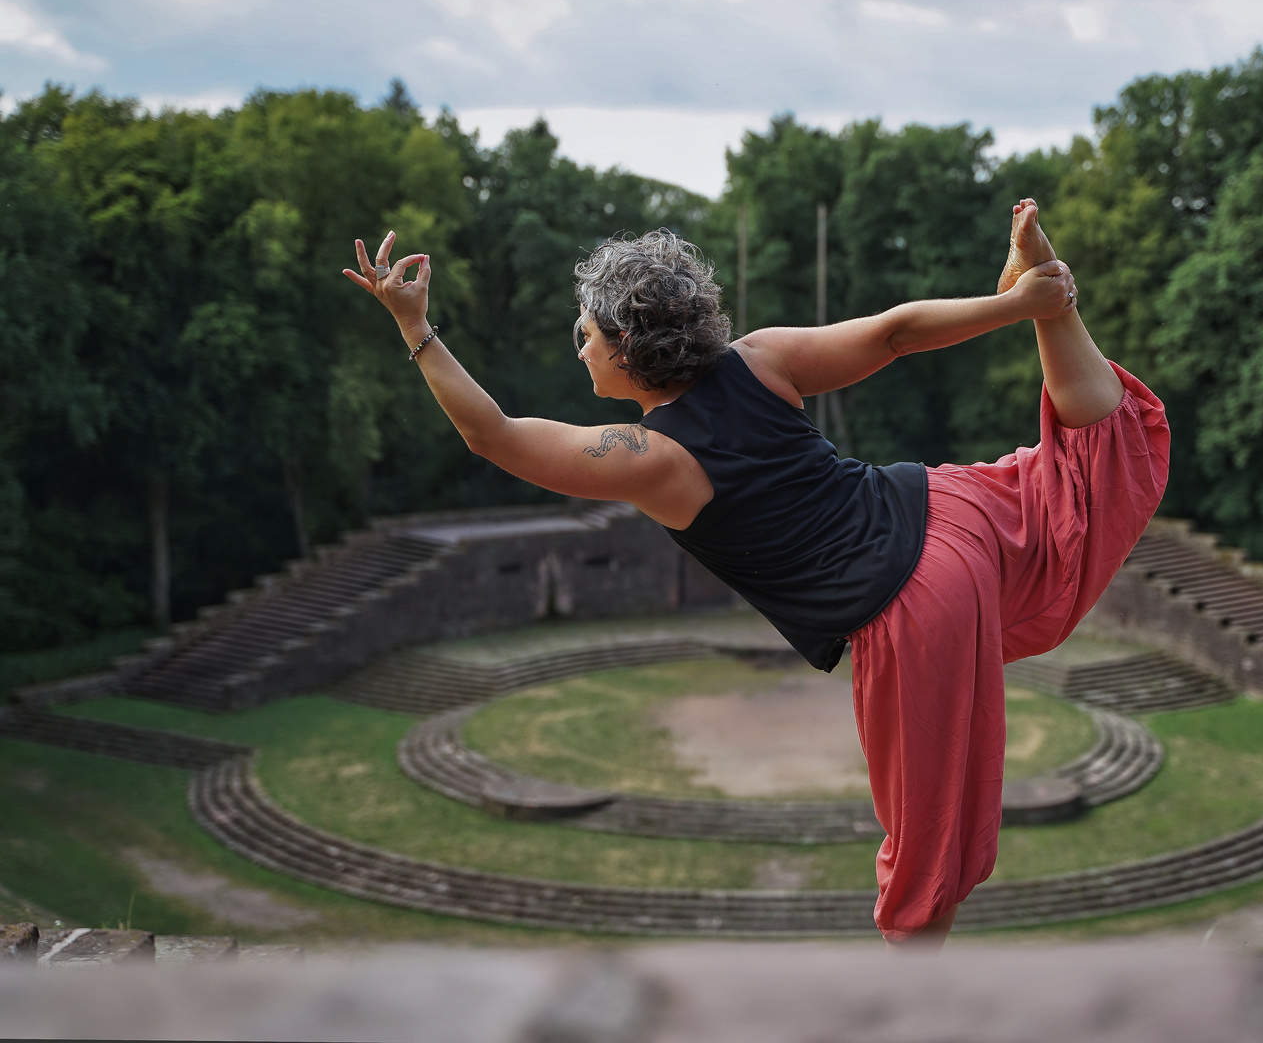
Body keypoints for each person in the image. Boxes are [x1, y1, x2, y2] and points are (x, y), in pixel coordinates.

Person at [343, 201, 1169, 947]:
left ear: (627, 346)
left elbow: (494, 434)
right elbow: (895, 333)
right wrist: (1014, 305)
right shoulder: (761, 357)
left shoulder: (651, 459)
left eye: (586, 332)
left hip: (909, 601)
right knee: (1076, 480)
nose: (580, 346)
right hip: (947, 509)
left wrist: (417, 329)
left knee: (925, 834)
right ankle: (1053, 309)